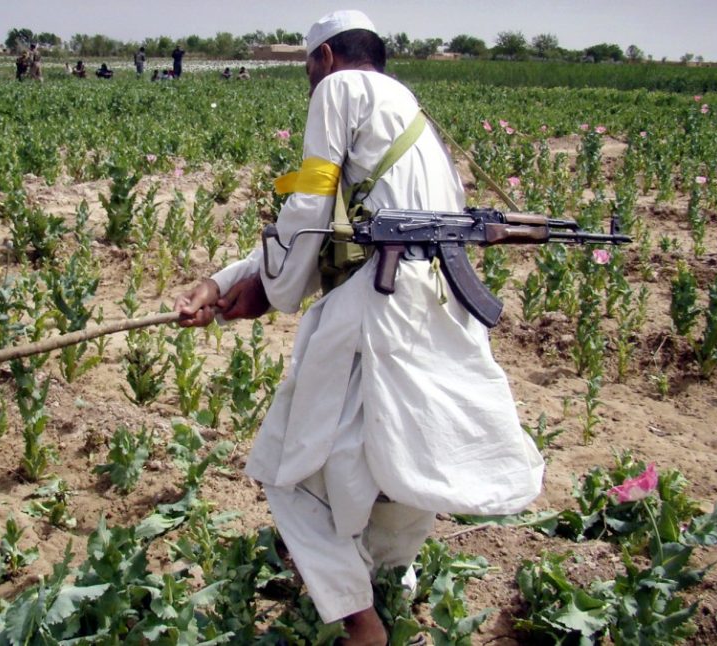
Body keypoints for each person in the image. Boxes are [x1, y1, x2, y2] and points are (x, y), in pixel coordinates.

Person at [174, 10, 543, 645]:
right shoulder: (414, 118)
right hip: (437, 306)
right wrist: (231, 282)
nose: (310, 83)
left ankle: (360, 622)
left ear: (324, 59)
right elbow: (341, 233)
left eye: (309, 70)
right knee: (397, 461)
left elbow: (310, 210)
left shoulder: (338, 91)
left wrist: (268, 290)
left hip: (377, 307)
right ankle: (385, 585)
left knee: (290, 465)